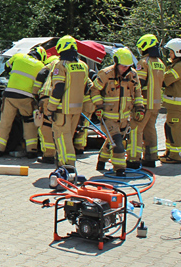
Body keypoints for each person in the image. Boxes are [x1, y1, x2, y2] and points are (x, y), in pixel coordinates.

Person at [91, 47, 144, 177]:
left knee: (112, 141)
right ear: (116, 62)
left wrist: (139, 107)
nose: (125, 69)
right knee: (118, 144)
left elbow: (137, 92)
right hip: (108, 117)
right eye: (123, 66)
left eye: (128, 66)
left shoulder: (133, 75)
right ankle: (120, 169)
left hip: (125, 117)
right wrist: (98, 106)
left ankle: (101, 160)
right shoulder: (105, 74)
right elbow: (94, 90)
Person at [43, 36, 89, 175]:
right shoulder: (83, 65)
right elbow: (87, 87)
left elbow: (58, 89)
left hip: (62, 109)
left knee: (63, 138)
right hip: (76, 109)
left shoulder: (61, 65)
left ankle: (67, 167)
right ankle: (67, 166)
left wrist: (50, 108)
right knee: (69, 137)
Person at [0, 46, 45, 158]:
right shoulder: (41, 66)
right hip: (26, 97)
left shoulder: (18, 56)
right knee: (29, 123)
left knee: (5, 122)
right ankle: (31, 150)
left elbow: (6, 68)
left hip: (10, 95)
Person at [129, 34, 165, 168]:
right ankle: (150, 157)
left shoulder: (143, 63)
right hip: (156, 103)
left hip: (144, 103)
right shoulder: (160, 63)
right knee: (150, 129)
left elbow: (140, 83)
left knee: (136, 130)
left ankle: (134, 159)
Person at [161, 38, 181, 164]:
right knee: (169, 127)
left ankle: (176, 156)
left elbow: (166, 80)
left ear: (178, 52)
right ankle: (170, 152)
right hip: (175, 106)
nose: (169, 54)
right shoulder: (179, 65)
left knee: (174, 129)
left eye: (171, 52)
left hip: (178, 106)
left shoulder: (180, 66)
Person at [34, 55, 58, 164]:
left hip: (48, 96)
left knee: (46, 126)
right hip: (65, 100)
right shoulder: (76, 65)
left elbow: (41, 74)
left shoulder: (53, 63)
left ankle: (48, 155)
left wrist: (35, 92)